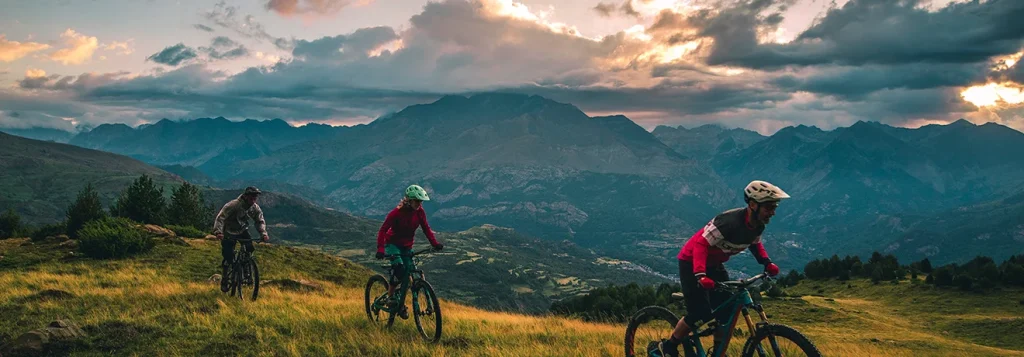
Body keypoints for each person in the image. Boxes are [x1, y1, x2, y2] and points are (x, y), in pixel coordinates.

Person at [652, 180, 788, 357]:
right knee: (699, 312)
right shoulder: (729, 221)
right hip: (691, 262)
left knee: (726, 313)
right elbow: (701, 244)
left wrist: (767, 263)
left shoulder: (758, 225)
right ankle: (669, 346)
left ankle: (717, 353)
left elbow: (755, 244)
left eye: (774, 207)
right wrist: (700, 275)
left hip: (714, 265)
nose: (773, 212)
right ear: (753, 204)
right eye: (769, 207)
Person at [375, 184, 444, 319]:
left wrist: (435, 244)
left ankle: (413, 298)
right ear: (409, 200)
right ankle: (390, 298)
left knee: (414, 271)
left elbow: (426, 228)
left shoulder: (420, 212)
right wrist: (381, 249)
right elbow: (383, 230)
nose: (419, 204)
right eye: (417, 201)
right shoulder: (396, 213)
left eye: (421, 202)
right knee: (400, 269)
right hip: (393, 244)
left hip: (407, 246)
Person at [213, 186, 269, 293]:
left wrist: (263, 233)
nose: (253, 200)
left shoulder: (255, 208)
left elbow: (259, 221)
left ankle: (247, 269)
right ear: (246, 196)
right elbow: (221, 217)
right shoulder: (233, 205)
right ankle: (225, 277)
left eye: (255, 198)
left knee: (249, 248)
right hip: (228, 231)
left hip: (242, 230)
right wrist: (218, 232)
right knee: (228, 255)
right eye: (252, 197)